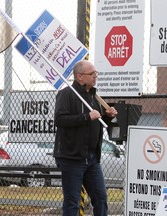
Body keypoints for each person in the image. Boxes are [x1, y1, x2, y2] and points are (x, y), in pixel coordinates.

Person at [53, 60, 118, 216]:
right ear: (80, 77)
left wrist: (107, 117)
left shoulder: (93, 96)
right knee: (72, 202)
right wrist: (86, 117)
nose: (95, 76)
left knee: (101, 198)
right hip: (72, 157)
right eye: (92, 74)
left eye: (96, 73)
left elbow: (96, 122)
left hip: (92, 158)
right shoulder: (67, 94)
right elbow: (60, 120)